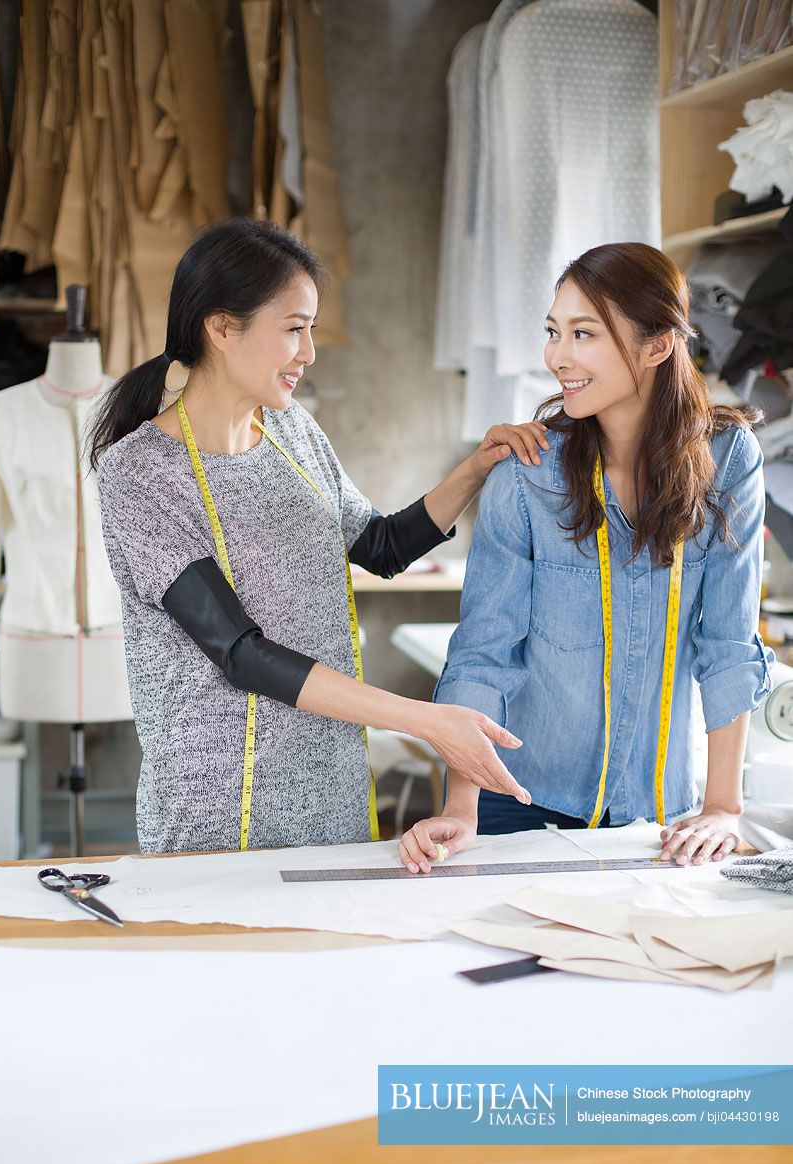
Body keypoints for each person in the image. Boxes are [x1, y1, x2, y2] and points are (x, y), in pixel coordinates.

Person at [89, 218, 547, 854]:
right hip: (220, 805)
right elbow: (240, 652)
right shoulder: (140, 474)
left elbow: (380, 548)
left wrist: (475, 469)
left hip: (331, 778)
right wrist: (423, 721)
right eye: (294, 329)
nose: (308, 353)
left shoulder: (294, 434)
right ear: (221, 328)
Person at [399, 242, 773, 874]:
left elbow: (729, 644)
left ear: (657, 345)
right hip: (521, 802)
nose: (557, 357)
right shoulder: (526, 474)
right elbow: (485, 651)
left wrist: (723, 809)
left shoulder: (729, 458)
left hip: (664, 819)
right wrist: (463, 806)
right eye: (553, 332)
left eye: (583, 334)